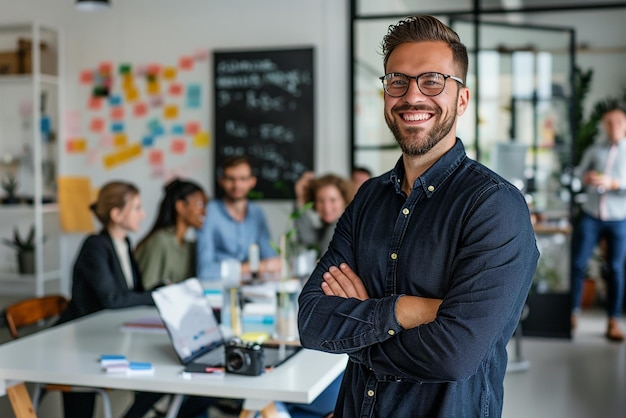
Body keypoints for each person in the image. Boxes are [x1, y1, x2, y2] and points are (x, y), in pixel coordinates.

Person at [297, 15, 539, 418]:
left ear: (462, 99)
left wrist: (360, 322)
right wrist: (410, 310)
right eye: (398, 81)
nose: (412, 96)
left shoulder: (494, 206)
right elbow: (311, 320)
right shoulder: (369, 197)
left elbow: (454, 356)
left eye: (432, 81)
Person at [56, 181, 155, 418]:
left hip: (107, 335)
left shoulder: (124, 243)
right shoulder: (95, 246)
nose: (143, 214)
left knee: (155, 379)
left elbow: (133, 291)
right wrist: (154, 297)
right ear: (116, 214)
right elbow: (113, 298)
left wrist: (159, 292)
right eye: (137, 208)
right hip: (79, 343)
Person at [571, 105, 626, 341]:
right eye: (608, 123)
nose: (612, 127)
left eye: (617, 122)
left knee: (615, 268)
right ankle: (572, 314)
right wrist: (585, 178)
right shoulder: (595, 150)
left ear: (624, 124)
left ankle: (613, 320)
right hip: (592, 215)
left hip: (618, 218)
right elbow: (577, 176)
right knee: (577, 263)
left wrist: (615, 183)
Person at [196, 155, 280, 280]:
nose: (237, 185)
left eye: (243, 179)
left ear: (252, 182)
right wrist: (253, 267)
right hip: (218, 291)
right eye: (231, 179)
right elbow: (205, 271)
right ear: (221, 181)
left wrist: (264, 266)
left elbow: (273, 262)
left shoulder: (257, 213)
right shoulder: (209, 212)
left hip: (251, 291)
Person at [136, 178, 208, 290]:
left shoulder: (190, 246)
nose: (204, 212)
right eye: (200, 205)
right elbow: (147, 287)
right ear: (181, 206)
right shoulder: (160, 241)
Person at [294, 171, 353, 257]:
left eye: (333, 200)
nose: (326, 207)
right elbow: (308, 239)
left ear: (344, 200)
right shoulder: (329, 227)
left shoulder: (340, 227)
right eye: (321, 201)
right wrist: (301, 198)